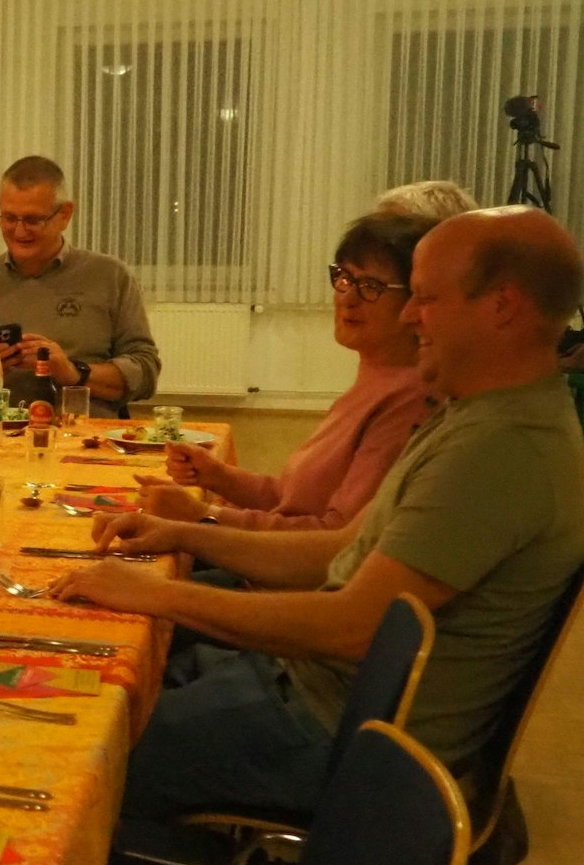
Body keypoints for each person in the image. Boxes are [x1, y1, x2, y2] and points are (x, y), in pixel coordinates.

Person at [51, 207, 584, 822]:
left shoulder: (503, 450)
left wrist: (157, 595)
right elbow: (338, 549)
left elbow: (353, 627)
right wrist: (181, 532)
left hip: (335, 732)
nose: (411, 315)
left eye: (427, 298)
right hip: (312, 691)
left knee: (68, 751)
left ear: (503, 307)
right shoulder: (477, 416)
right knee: (92, 678)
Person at [136, 212, 438, 531]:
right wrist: (217, 476)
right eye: (345, 279)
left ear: (416, 303)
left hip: (294, 581)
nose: (347, 298)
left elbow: (334, 541)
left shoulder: (408, 400)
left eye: (371, 286)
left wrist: (202, 515)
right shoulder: (373, 381)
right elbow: (292, 499)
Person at [0, 156, 160, 418]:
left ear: (65, 215)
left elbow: (145, 371)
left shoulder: (110, 276)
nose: (20, 231)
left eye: (34, 220)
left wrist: (72, 372)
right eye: (9, 218)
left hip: (81, 440)